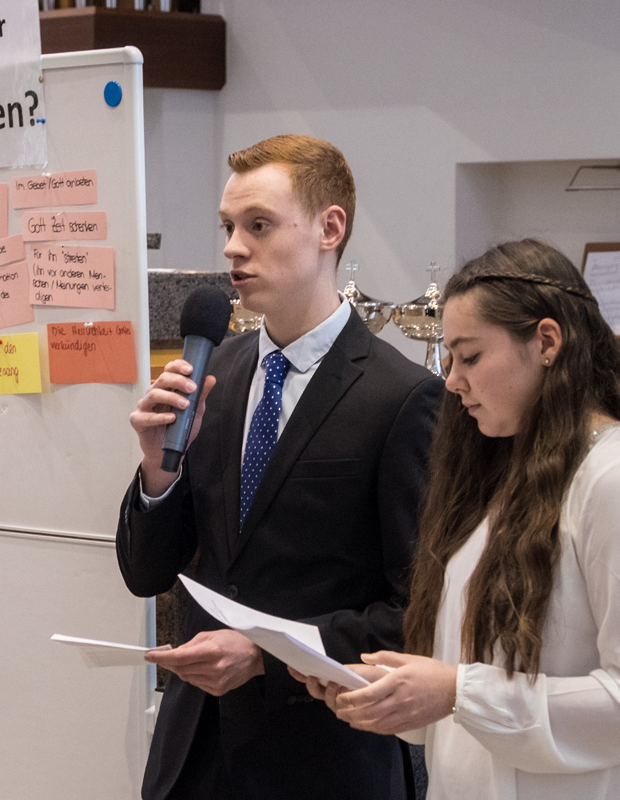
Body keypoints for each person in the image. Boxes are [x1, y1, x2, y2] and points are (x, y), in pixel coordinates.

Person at [295, 239, 620, 799]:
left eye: (470, 357)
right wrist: (398, 693)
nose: (452, 380)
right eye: (450, 359)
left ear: (547, 342)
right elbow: (477, 678)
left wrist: (457, 691)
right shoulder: (507, 475)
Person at [115, 134, 443, 800]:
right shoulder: (213, 373)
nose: (234, 248)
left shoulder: (403, 397)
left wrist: (266, 655)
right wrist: (157, 475)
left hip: (323, 759)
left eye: (259, 225)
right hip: (195, 754)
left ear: (329, 229)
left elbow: (417, 613)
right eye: (228, 227)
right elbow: (147, 573)